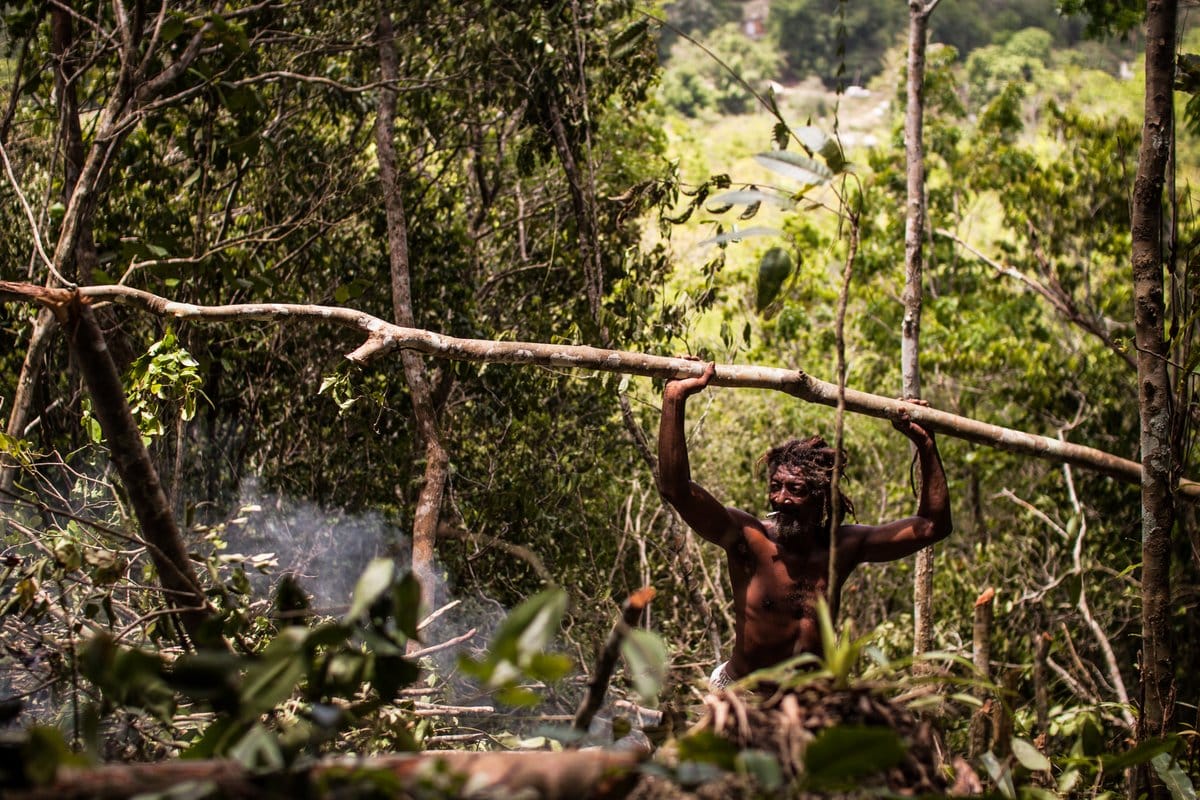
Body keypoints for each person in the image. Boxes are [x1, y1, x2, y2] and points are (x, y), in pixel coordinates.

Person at [656, 363, 952, 689]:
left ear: (821, 497)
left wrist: (925, 445)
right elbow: (676, 489)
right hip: (742, 697)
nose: (781, 499)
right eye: (776, 487)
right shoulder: (748, 539)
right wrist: (674, 399)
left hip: (809, 705)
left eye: (796, 490)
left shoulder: (842, 548)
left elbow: (932, 526)